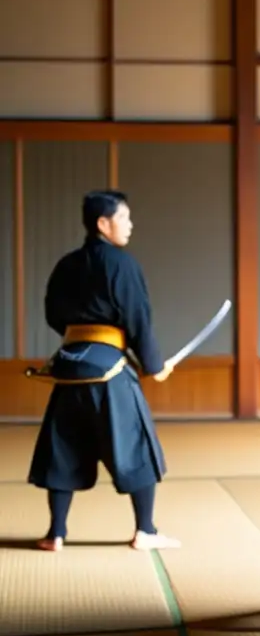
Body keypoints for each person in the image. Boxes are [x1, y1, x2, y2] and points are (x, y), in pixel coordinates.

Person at [27, 190, 181, 553]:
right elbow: (138, 318)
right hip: (110, 371)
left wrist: (81, 340)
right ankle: (145, 530)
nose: (130, 225)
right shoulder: (121, 264)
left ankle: (56, 533)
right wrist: (154, 366)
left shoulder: (67, 264)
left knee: (64, 446)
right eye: (124, 218)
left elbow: (53, 314)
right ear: (103, 223)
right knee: (135, 445)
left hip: (68, 368)